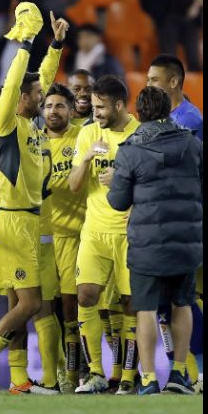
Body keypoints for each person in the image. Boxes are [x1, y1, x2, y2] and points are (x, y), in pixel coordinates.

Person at [0, 4, 69, 395]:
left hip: (12, 221)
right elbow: (15, 85)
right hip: (16, 223)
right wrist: (24, 41)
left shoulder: (33, 123)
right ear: (21, 97)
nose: (43, 96)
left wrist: (55, 44)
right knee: (28, 304)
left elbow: (40, 76)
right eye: (37, 93)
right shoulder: (7, 124)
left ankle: (11, 378)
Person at [106, 86, 202, 395]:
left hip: (148, 242)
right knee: (182, 303)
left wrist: (113, 182)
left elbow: (118, 202)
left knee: (145, 309)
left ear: (141, 112)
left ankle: (147, 379)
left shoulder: (130, 149)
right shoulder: (192, 143)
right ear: (166, 110)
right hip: (186, 239)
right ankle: (179, 375)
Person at [67, 75, 141, 394]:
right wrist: (84, 159)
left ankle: (127, 376)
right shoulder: (88, 135)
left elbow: (154, 183)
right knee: (86, 295)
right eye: (94, 106)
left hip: (129, 232)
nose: (94, 112)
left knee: (130, 303)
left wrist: (123, 179)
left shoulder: (140, 134)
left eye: (101, 107)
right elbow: (73, 185)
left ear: (119, 105)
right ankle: (95, 373)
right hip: (94, 231)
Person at [41, 83, 87, 392]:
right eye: (48, 106)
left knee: (71, 309)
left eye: (59, 106)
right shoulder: (33, 141)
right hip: (41, 237)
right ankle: (53, 375)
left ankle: (74, 376)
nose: (53, 111)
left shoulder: (83, 138)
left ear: (71, 110)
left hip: (73, 234)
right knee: (42, 309)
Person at [147, 54, 202, 140]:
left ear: (173, 82)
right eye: (148, 80)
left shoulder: (187, 121)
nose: (148, 85)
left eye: (154, 80)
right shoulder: (158, 114)